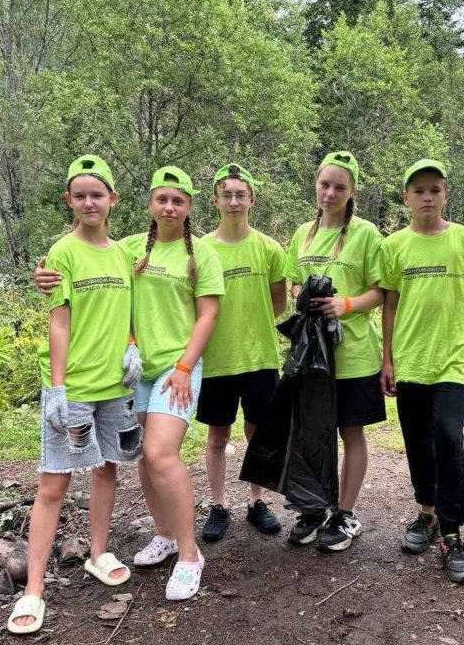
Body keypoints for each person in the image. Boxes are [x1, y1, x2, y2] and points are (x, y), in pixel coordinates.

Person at [35, 166, 224, 601]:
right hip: (134, 368)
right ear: (149, 203)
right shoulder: (129, 249)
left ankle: (191, 556)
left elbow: (209, 314)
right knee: (141, 454)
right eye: (162, 199)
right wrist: (44, 276)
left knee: (161, 453)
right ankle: (165, 534)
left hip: (177, 367)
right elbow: (85, 263)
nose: (169, 207)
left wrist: (183, 366)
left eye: (178, 200)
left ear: (190, 206)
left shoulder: (202, 256)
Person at [8, 155, 137, 635]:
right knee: (54, 483)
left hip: (114, 385)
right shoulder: (61, 253)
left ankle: (98, 553)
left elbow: (130, 308)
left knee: (106, 469)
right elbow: (58, 321)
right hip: (75, 387)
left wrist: (131, 346)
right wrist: (58, 386)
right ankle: (34, 589)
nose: (89, 202)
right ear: (69, 200)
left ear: (112, 201)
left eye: (97, 194)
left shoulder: (123, 254)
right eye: (80, 195)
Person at [380, 159, 464, 583]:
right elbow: (390, 304)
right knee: (416, 440)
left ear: (446, 194)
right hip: (409, 362)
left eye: (435, 189)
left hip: (450, 361)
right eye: (419, 191)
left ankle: (452, 532)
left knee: (449, 437)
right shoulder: (393, 246)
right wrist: (387, 358)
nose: (427, 197)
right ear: (406, 198)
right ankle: (426, 514)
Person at [284, 151, 385, 552]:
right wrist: (303, 296)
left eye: (339, 187)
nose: (330, 193)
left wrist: (345, 305)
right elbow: (292, 283)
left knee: (350, 431)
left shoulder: (366, 234)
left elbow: (380, 291)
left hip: (354, 353)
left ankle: (345, 512)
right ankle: (315, 507)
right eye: (325, 185)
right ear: (316, 185)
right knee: (313, 432)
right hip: (311, 355)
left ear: (351, 191)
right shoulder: (301, 234)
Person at [196, 163, 287, 542]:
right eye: (226, 195)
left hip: (260, 357)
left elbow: (278, 303)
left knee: (258, 433)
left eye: (240, 194)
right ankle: (218, 505)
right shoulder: (200, 249)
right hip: (216, 358)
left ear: (252, 199)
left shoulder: (268, 248)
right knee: (218, 436)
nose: (234, 201)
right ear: (215, 201)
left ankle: (257, 501)